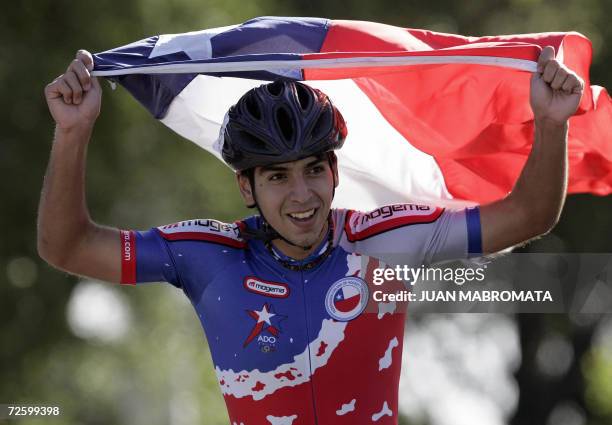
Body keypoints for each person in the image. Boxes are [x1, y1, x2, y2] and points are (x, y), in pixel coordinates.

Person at [39, 47, 583, 425]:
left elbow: (527, 215)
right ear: (246, 187)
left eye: (313, 170)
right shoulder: (207, 255)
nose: (302, 195)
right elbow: (66, 247)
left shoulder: (385, 241)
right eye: (277, 176)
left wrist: (552, 123)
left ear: (335, 172)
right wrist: (72, 131)